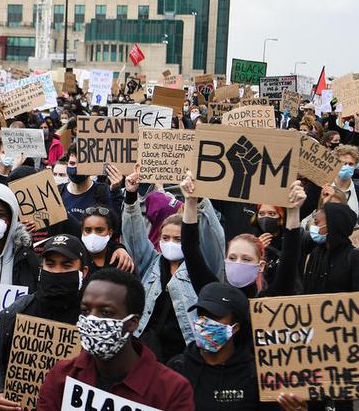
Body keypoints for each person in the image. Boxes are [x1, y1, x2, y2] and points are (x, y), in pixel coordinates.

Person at [36, 268, 194, 411]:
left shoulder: (172, 391)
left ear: (133, 323)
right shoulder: (62, 375)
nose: (92, 319)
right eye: (85, 310)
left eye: (105, 312)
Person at [122, 169, 224, 363]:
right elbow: (134, 237)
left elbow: (213, 237)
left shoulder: (202, 269)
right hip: (148, 352)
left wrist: (199, 200)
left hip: (186, 354)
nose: (171, 243)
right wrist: (131, 197)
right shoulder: (151, 262)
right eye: (166, 238)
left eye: (178, 239)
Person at [0, 234, 89, 410]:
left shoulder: (91, 320)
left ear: (83, 272)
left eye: (66, 265)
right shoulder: (18, 311)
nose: (56, 272)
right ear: (41, 268)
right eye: (50, 264)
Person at [180, 173, 306, 299]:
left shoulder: (271, 299)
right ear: (225, 261)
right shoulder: (213, 294)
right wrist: (190, 201)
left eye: (246, 259)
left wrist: (293, 211)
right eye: (232, 258)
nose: (238, 263)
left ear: (261, 265)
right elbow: (190, 249)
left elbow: (290, 257)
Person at [169, 282, 278, 410]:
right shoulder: (177, 368)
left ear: (235, 327)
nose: (204, 323)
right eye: (201, 314)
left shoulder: (255, 375)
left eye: (215, 317)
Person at [302, 202, 359, 295]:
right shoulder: (316, 253)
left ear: (333, 225)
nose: (313, 227)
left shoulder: (355, 258)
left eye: (316, 222)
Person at [59, 146, 123, 222]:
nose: (75, 168)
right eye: (72, 163)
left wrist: (115, 192)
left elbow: (115, 220)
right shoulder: (58, 192)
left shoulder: (104, 192)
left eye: (81, 164)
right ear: (67, 164)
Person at [80, 205, 134, 273]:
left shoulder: (121, 260)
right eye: (88, 230)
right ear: (82, 231)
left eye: (99, 230)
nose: (93, 235)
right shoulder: (76, 256)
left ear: (110, 233)